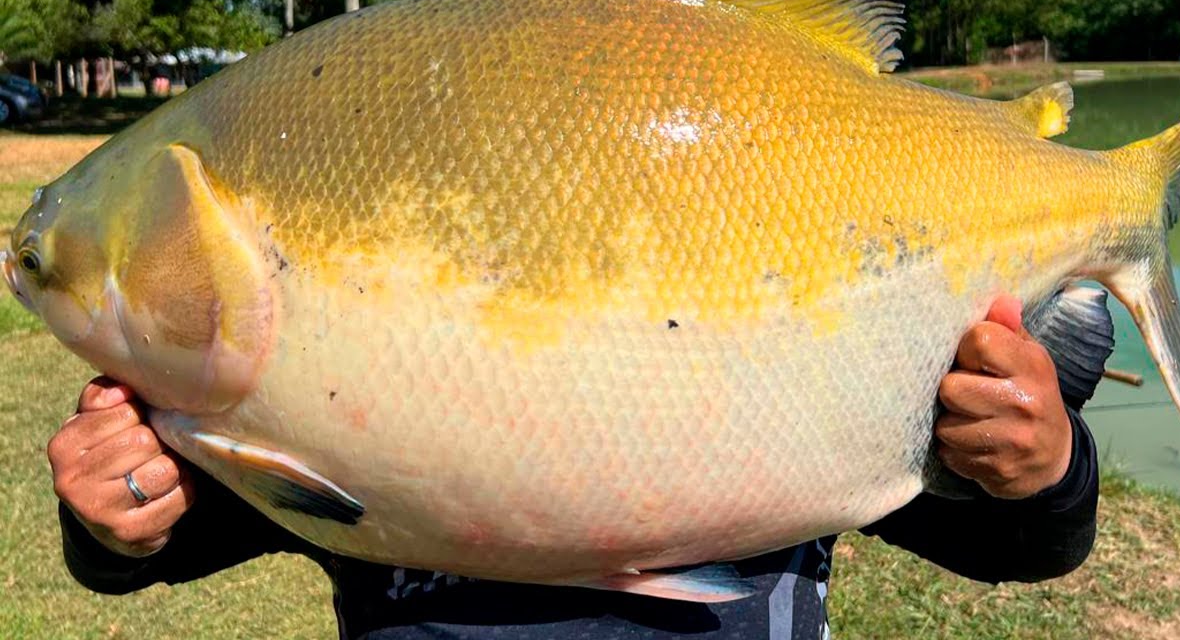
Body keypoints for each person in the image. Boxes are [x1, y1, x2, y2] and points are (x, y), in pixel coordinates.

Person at [48, 296, 1097, 639]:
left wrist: (1046, 463)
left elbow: (1022, 545)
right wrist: (112, 509)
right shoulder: (335, 372)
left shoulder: (785, 347)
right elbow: (146, 551)